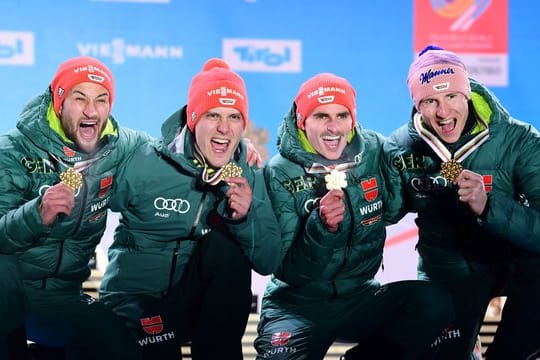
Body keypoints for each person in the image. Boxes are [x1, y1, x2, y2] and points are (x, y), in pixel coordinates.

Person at [253, 73, 455, 360]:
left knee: (432, 304)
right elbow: (287, 269)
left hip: (359, 296)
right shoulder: (280, 172)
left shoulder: (373, 149)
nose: (334, 127)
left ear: (353, 119)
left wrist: (450, 174)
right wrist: (320, 228)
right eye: (321, 116)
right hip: (297, 304)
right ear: (302, 120)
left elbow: (417, 179)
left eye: (342, 115)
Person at [98, 58, 282, 360]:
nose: (224, 128)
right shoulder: (145, 160)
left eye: (234, 117)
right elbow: (89, 205)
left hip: (192, 304)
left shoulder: (245, 168)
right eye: (213, 115)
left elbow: (269, 259)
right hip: (135, 299)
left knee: (226, 250)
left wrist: (245, 217)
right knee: (159, 349)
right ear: (194, 118)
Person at [383, 45, 540, 360]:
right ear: (417, 105)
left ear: (467, 94)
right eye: (430, 101)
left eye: (451, 97)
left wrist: (489, 206)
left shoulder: (518, 139)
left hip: (510, 261)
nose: (443, 113)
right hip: (448, 268)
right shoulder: (400, 147)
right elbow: (386, 210)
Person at [0, 55, 149, 360]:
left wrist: (240, 150)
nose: (92, 111)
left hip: (61, 299)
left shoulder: (119, 146)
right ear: (59, 102)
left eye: (102, 100)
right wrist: (36, 214)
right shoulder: (12, 151)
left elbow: (176, 149)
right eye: (80, 99)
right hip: (7, 298)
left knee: (120, 346)